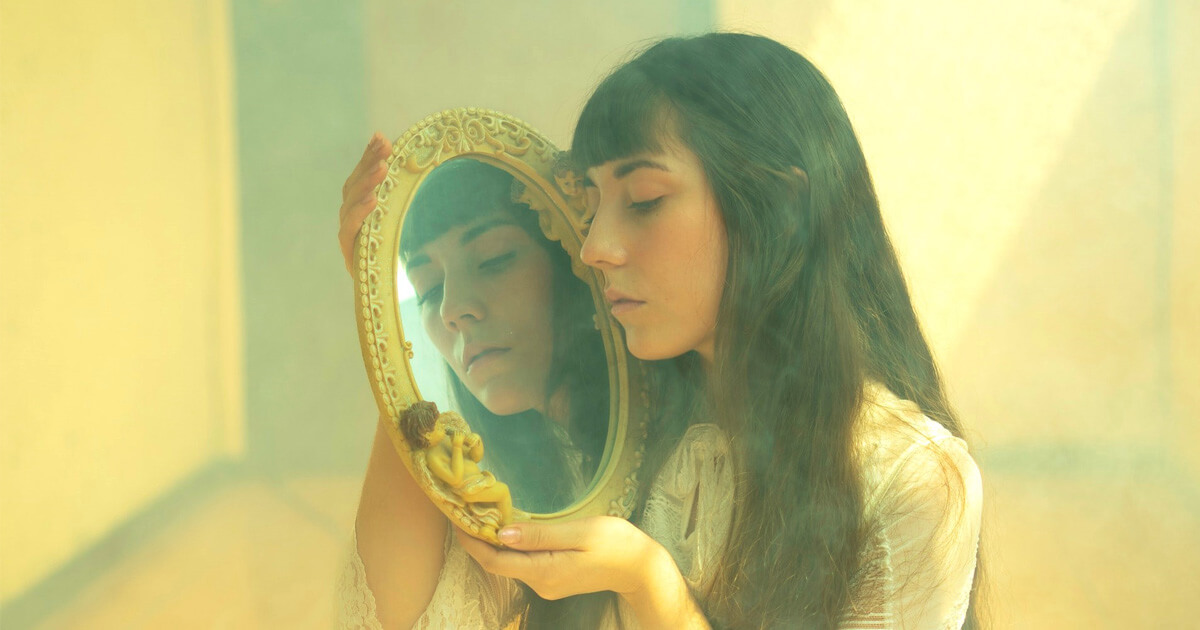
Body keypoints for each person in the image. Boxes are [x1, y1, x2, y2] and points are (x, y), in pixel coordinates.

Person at [337, 33, 983, 630]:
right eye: (592, 208)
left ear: (782, 210)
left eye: (644, 201)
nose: (595, 248)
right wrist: (384, 321)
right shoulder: (615, 436)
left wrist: (649, 586)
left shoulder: (910, 478)